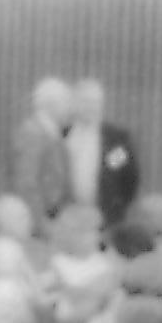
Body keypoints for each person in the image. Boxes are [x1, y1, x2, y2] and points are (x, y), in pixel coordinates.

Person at [69, 80, 141, 229]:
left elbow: (129, 178)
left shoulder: (116, 140)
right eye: (85, 102)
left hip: (105, 219)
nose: (91, 107)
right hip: (69, 216)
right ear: (74, 104)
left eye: (95, 102)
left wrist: (116, 208)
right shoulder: (63, 134)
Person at [11, 80, 75, 220]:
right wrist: (41, 224)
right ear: (50, 105)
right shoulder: (33, 133)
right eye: (66, 103)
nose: (69, 109)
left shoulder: (51, 132)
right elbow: (27, 184)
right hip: (42, 219)